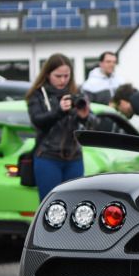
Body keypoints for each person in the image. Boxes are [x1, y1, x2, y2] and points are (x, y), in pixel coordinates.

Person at [27, 54, 91, 200]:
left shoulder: (77, 94)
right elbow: (37, 121)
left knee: (75, 205)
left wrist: (85, 115)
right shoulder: (38, 95)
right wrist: (59, 111)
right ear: (48, 74)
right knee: (50, 206)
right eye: (58, 76)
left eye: (66, 76)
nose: (63, 80)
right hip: (48, 157)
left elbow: (92, 126)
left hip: (74, 158)